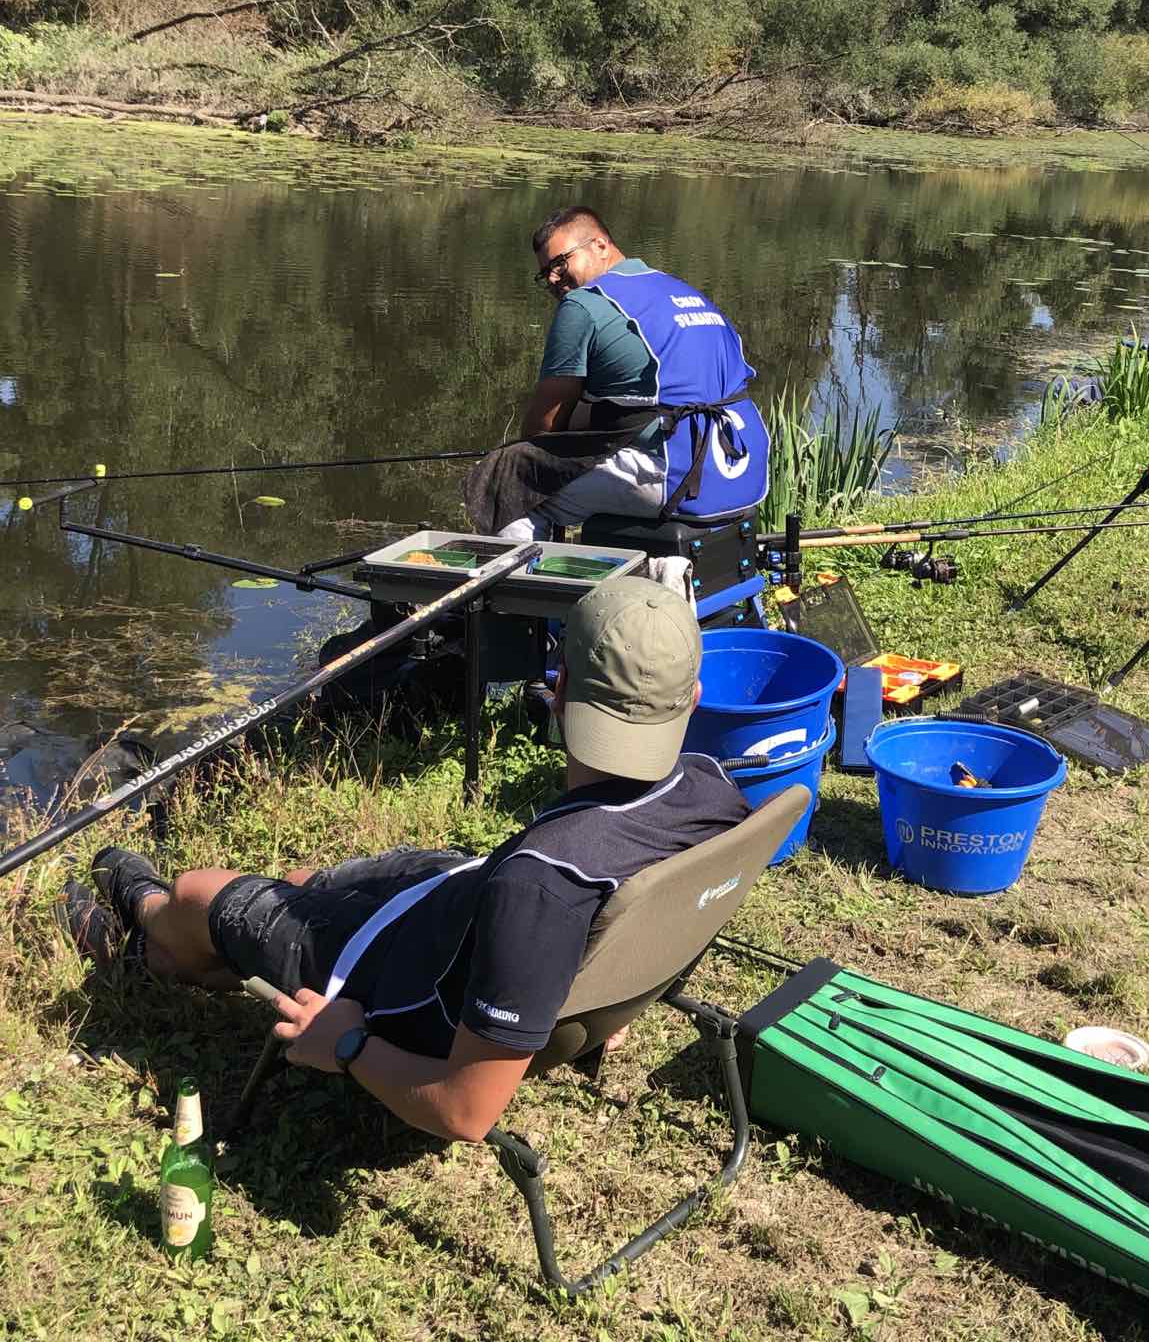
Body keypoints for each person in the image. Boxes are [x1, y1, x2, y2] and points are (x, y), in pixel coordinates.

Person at [66, 580, 749, 1144]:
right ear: (689, 699)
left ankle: (143, 926)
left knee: (198, 893)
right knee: (306, 885)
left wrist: (349, 1045)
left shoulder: (542, 886)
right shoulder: (712, 791)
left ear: (561, 686)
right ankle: (176, 941)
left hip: (407, 977)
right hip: (454, 901)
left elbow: (464, 1112)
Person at [464, 206, 770, 542]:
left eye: (560, 263)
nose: (553, 278)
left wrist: (521, 458)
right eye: (545, 273)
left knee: (508, 480)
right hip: (746, 473)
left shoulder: (583, 304)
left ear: (600, 245)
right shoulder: (679, 289)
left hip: (681, 477)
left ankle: (524, 590)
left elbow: (542, 430)